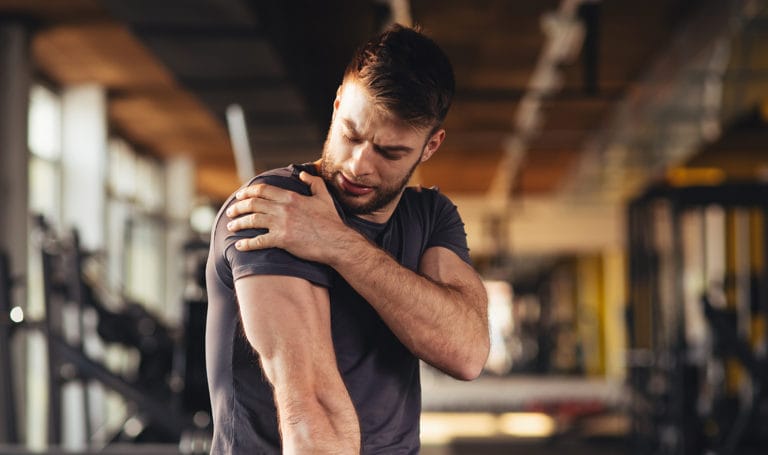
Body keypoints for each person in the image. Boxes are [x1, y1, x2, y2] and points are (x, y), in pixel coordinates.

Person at [205, 23, 490, 454]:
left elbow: (466, 352)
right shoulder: (277, 207)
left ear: (430, 147)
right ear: (338, 105)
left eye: (389, 152)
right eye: (351, 134)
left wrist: (338, 244)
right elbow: (310, 409)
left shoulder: (429, 215)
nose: (359, 165)